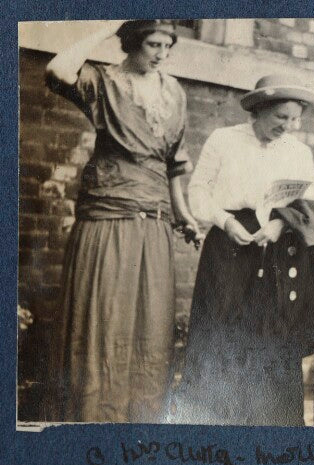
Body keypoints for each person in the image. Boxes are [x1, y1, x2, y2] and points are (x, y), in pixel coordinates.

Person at [44, 20, 201, 423]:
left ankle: (137, 424)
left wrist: (183, 215)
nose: (161, 52)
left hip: (155, 220)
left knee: (148, 326)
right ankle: (93, 417)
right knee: (105, 317)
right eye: (153, 43)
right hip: (109, 215)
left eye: (168, 45)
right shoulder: (103, 82)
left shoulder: (174, 92)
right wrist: (106, 29)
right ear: (132, 42)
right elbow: (58, 71)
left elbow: (175, 163)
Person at [175, 74, 314, 426]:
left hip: (278, 249)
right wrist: (226, 222)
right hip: (229, 249)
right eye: (281, 118)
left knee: (272, 334)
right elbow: (198, 193)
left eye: (294, 119)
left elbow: (309, 203)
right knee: (222, 327)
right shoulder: (224, 140)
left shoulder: (298, 151)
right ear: (259, 110)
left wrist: (279, 224)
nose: (288, 126)